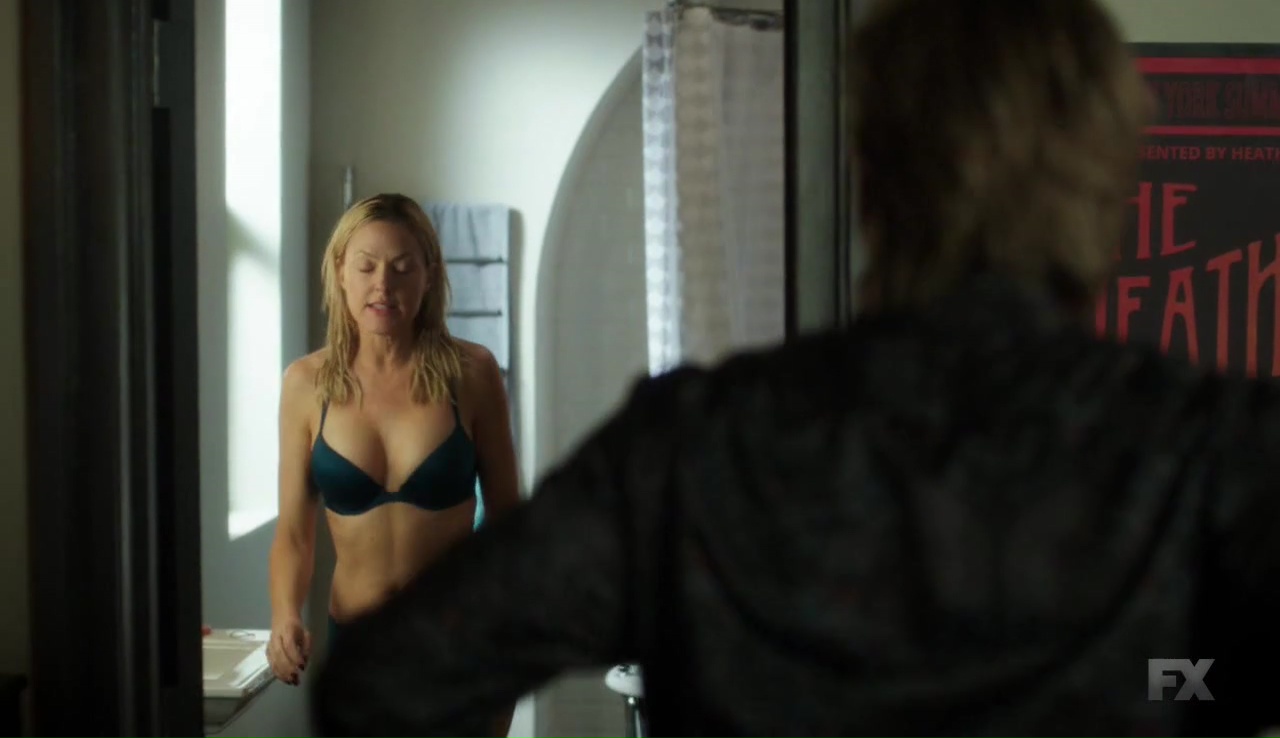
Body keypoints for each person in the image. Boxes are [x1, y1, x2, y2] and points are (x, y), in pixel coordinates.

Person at [310, 1, 1280, 737]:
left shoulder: (698, 448)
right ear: (1108, 184)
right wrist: (1161, 679)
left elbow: (387, 682)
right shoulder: (1218, 452)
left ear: (869, 170)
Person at [266, 194, 521, 734]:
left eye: (403, 268)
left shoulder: (473, 373)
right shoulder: (306, 385)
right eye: (366, 267)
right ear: (340, 272)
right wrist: (285, 615)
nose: (383, 285)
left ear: (429, 275)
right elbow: (293, 532)